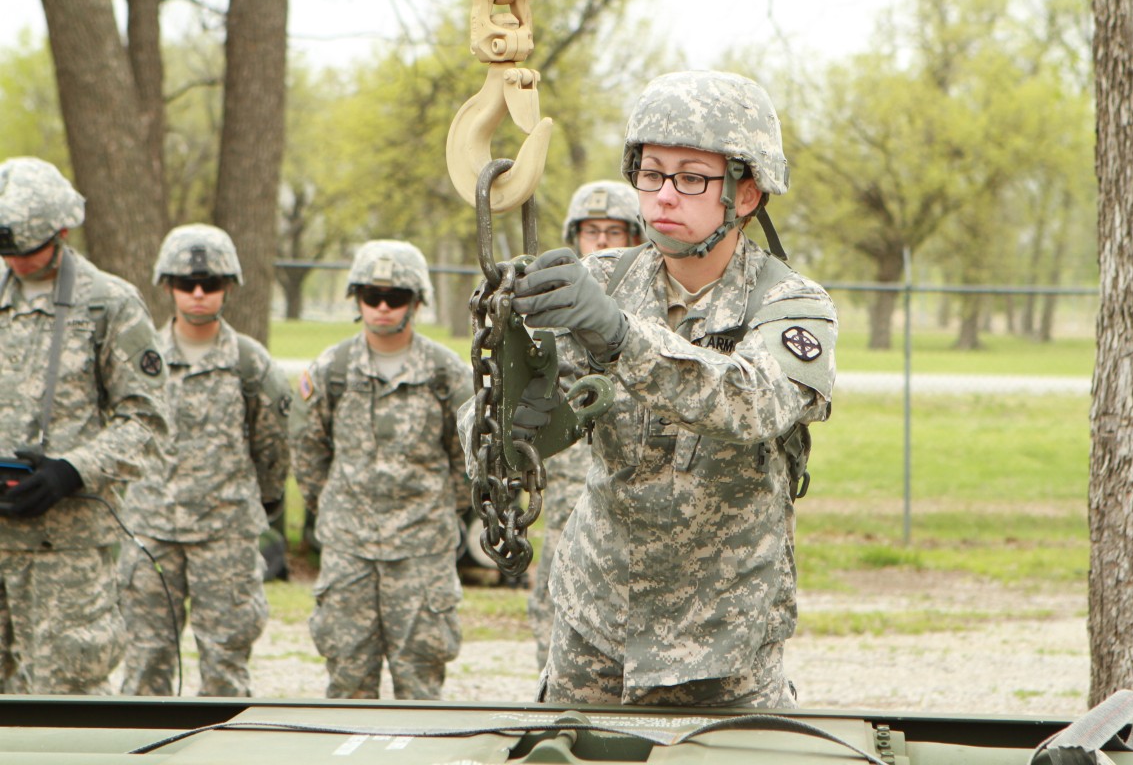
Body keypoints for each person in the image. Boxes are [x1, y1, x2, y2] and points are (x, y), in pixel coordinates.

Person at [509, 71, 838, 708]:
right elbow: (510, 419)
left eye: (691, 179)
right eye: (651, 173)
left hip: (726, 639)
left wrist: (617, 337)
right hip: (595, 625)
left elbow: (752, 401)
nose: (664, 195)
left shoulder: (792, 304)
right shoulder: (601, 282)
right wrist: (511, 415)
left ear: (746, 193)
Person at [0, 156, 169, 694]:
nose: (16, 261)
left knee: (66, 703)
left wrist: (71, 471)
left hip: (66, 551)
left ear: (62, 233)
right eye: (4, 249)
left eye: (27, 249)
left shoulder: (109, 304)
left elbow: (147, 421)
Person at [290, 240, 473, 700]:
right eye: (372, 296)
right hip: (349, 551)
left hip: (422, 551)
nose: (383, 307)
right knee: (348, 682)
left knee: (421, 686)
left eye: (396, 297)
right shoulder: (332, 370)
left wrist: (437, 509)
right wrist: (337, 507)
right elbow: (308, 452)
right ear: (357, 300)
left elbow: (467, 458)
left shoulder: (446, 374)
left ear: (417, 302)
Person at [118, 224, 291, 697]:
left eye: (210, 284)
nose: (198, 294)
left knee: (225, 669)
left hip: (224, 537)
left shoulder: (250, 363)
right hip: (151, 531)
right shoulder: (139, 359)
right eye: (186, 283)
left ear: (228, 287)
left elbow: (273, 447)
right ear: (168, 286)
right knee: (145, 666)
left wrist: (259, 501)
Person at [527, 180, 645, 670]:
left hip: (636, 517)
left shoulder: (648, 315)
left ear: (635, 237)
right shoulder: (551, 317)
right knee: (557, 633)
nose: (600, 242)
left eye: (613, 231)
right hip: (565, 511)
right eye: (590, 231)